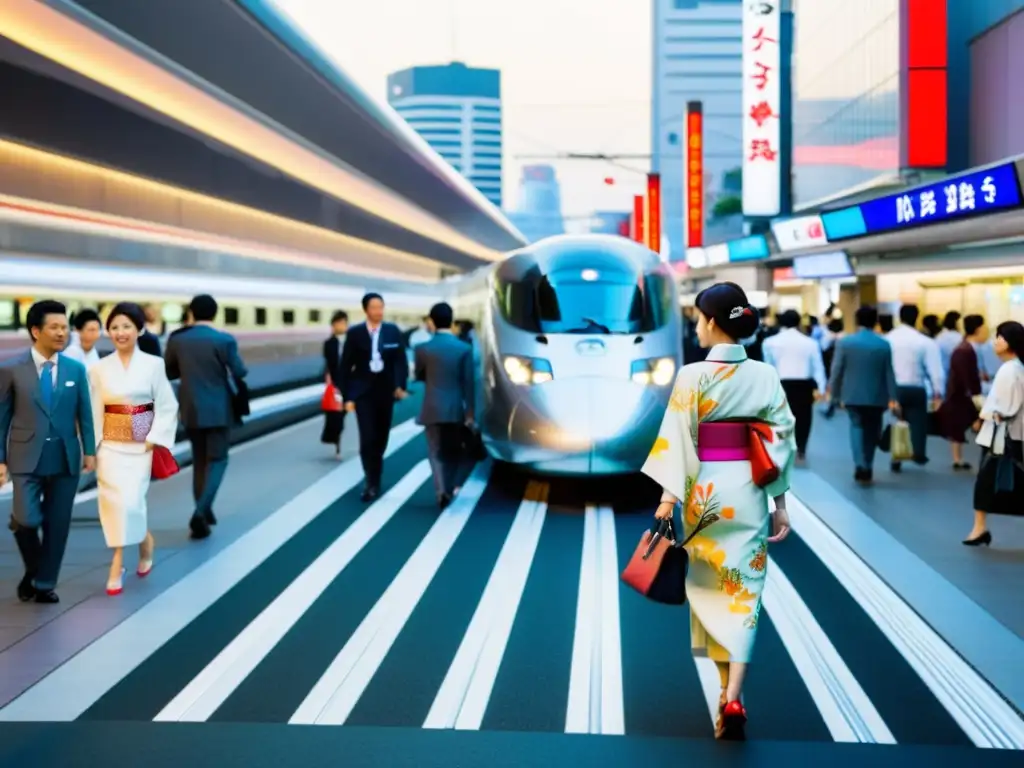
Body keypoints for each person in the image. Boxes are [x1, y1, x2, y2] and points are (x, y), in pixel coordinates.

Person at [643, 282, 794, 741]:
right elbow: (779, 440)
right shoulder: (765, 375)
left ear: (711, 322)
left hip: (702, 497)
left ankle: (726, 694)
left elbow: (678, 441)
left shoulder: (692, 376)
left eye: (697, 318)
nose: (695, 326)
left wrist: (668, 500)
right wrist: (780, 503)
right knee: (743, 596)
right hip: (747, 494)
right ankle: (734, 696)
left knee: (710, 595)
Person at [0, 300, 95, 603]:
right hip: (25, 457)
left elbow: (86, 413)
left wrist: (90, 450)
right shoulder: (11, 369)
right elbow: (1, 419)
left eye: (65, 327)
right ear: (35, 331)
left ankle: (44, 584)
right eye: (54, 327)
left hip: (66, 456)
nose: (61, 333)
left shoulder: (76, 370)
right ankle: (35, 569)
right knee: (26, 519)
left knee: (58, 523)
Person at [88, 303, 178, 595]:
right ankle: (117, 562)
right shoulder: (100, 368)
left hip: (140, 446)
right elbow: (93, 409)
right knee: (114, 504)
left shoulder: (153, 365)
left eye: (126, 326)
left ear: (139, 329)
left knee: (131, 503)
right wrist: (93, 447)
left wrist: (154, 436)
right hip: (110, 447)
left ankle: (144, 542)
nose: (120, 332)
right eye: (114, 327)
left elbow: (167, 404)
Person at [164, 294, 247, 539]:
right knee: (219, 460)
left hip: (190, 408)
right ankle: (200, 512)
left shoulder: (178, 340)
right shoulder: (224, 340)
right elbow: (240, 371)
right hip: (219, 408)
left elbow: (169, 371)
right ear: (215, 313)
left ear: (191, 313)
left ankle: (205, 508)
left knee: (200, 461)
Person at [340, 293, 409, 502]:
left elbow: (400, 361)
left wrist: (399, 385)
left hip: (385, 392)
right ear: (366, 310)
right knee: (367, 437)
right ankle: (371, 481)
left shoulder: (392, 331)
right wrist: (348, 397)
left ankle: (375, 472)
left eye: (381, 307)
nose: (379, 311)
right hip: (363, 394)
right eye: (374, 308)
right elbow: (345, 367)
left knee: (380, 438)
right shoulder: (355, 334)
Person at [965, 321, 1024, 546]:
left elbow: (1007, 406)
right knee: (997, 482)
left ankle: (979, 528)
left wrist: (986, 417)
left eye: (1000, 337)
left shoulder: (1010, 370)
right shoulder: (1015, 367)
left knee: (987, 482)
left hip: (1001, 436)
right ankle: (979, 528)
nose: (995, 341)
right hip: (1011, 435)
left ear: (1011, 342)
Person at [827, 305, 900, 484]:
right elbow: (889, 372)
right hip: (878, 396)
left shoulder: (845, 342)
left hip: (852, 394)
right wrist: (894, 397)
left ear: (857, 321)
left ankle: (860, 464)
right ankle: (868, 462)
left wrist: (834, 394)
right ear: (875, 322)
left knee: (857, 426)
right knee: (873, 430)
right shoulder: (883, 344)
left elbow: (837, 370)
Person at [415, 302, 475, 509]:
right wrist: (470, 413)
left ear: (431, 321)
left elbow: (420, 376)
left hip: (431, 407)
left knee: (435, 451)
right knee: (454, 451)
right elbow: (469, 383)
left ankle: (441, 490)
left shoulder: (422, 349)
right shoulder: (464, 349)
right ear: (452, 320)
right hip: (455, 409)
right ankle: (449, 486)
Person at [885, 304, 944, 472]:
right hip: (917, 387)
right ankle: (918, 452)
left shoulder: (888, 339)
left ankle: (896, 455)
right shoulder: (925, 341)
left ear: (899, 317)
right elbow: (936, 371)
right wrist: (938, 392)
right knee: (918, 422)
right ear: (917, 318)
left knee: (897, 420)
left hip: (894, 387)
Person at [762, 309, 826, 461]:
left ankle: (783, 446)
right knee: (804, 418)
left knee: (781, 417)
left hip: (782, 383)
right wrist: (822, 388)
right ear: (798, 322)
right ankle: (801, 448)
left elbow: (768, 366)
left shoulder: (770, 342)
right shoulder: (810, 343)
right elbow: (818, 366)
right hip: (804, 383)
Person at [941, 315, 986, 471]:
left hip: (960, 393)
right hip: (962, 394)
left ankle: (958, 459)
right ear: (978, 329)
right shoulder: (966, 349)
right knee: (966, 423)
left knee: (960, 425)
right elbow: (967, 375)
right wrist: (974, 394)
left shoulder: (963, 347)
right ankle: (960, 459)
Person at [322, 310, 349, 457]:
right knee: (337, 415)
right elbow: (328, 364)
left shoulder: (352, 342)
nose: (341, 326)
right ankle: (337, 444)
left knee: (342, 413)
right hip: (336, 385)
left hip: (349, 383)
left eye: (343, 323)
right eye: (338, 323)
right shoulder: (329, 344)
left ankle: (336, 439)